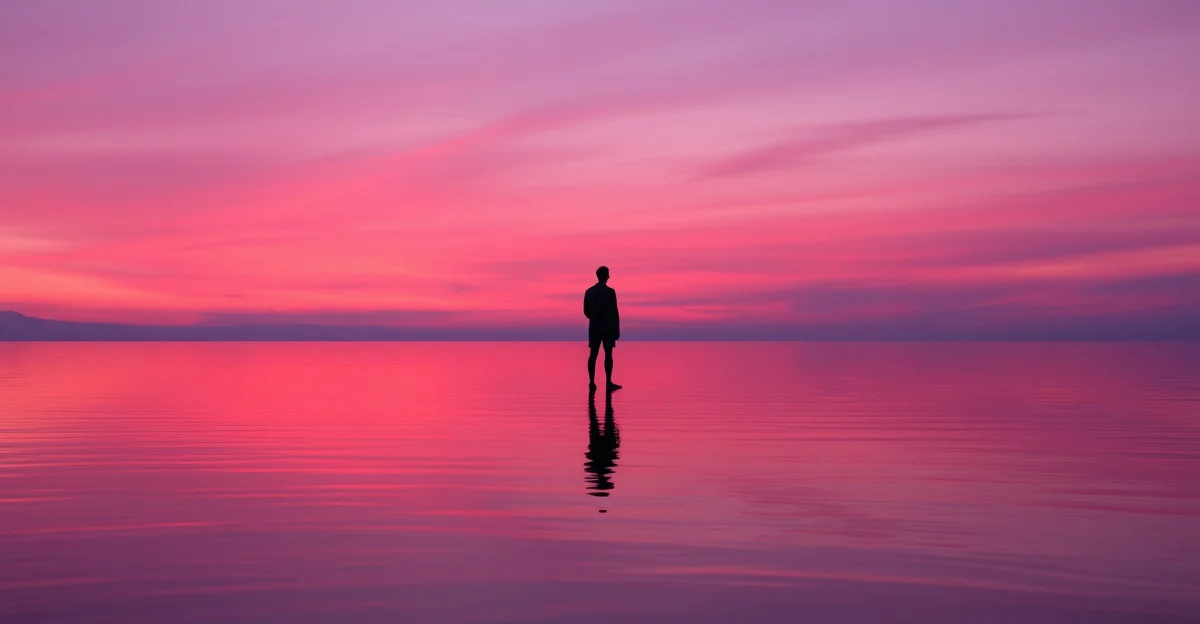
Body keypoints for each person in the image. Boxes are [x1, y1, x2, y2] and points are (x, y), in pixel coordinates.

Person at [584, 266, 621, 392]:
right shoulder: (610, 292)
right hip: (607, 327)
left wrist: (594, 318)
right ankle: (608, 382)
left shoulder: (589, 291)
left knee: (593, 354)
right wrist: (616, 329)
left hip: (594, 327)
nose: (609, 276)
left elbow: (586, 311)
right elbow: (614, 312)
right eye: (608, 274)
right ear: (605, 276)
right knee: (608, 354)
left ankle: (592, 382)